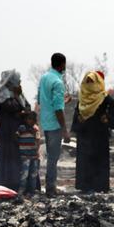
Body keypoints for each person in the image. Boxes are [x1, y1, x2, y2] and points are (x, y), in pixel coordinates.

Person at [71, 71, 114, 193]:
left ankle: (100, 186)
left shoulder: (104, 97)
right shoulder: (82, 97)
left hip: (99, 133)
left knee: (99, 159)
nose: (89, 84)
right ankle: (85, 186)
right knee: (85, 160)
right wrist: (78, 120)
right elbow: (77, 112)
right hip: (85, 134)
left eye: (92, 82)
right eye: (87, 81)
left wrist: (108, 118)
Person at [38, 53, 70, 197]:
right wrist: (65, 130)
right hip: (55, 124)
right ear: (62, 64)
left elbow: (41, 100)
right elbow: (58, 108)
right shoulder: (58, 82)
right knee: (53, 158)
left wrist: (63, 101)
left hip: (45, 121)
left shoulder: (44, 77)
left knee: (51, 157)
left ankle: (50, 186)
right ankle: (51, 187)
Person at [0, 70, 30, 191]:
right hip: (7, 130)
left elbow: (27, 107)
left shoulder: (18, 93)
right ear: (11, 81)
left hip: (19, 130)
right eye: (18, 80)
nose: (20, 83)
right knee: (8, 157)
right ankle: (8, 185)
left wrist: (19, 96)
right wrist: (17, 97)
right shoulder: (1, 93)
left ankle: (23, 185)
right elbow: (12, 107)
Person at [16, 111, 41, 196]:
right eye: (29, 119)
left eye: (33, 119)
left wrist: (37, 152)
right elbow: (16, 137)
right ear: (26, 119)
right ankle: (22, 191)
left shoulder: (36, 129)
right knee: (24, 174)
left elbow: (38, 141)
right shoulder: (21, 128)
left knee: (33, 175)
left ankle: (32, 191)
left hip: (34, 155)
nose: (31, 121)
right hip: (24, 156)